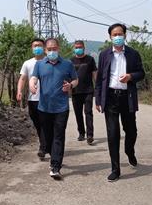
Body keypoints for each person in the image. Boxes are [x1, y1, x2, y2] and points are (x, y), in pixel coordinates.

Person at [95, 23, 145, 182]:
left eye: (120, 34)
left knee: (131, 131)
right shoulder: (104, 54)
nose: (117, 37)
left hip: (127, 97)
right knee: (113, 133)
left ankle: (129, 151)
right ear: (110, 37)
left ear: (125, 35)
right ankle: (115, 169)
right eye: (114, 35)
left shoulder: (133, 54)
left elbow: (141, 73)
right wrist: (98, 99)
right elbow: (100, 78)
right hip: (110, 97)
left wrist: (131, 76)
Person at [29, 38, 78, 179]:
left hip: (61, 107)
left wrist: (71, 85)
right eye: (49, 49)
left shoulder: (67, 64)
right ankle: (53, 155)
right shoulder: (39, 64)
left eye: (54, 49)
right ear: (45, 50)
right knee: (48, 136)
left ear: (58, 48)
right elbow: (33, 78)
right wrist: (32, 84)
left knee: (59, 136)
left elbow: (75, 80)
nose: (52, 51)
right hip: (44, 107)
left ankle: (55, 166)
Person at [17, 38, 46, 159]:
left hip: (46, 99)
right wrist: (19, 91)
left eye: (39, 45)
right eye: (35, 46)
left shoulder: (49, 61)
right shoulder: (27, 63)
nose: (37, 48)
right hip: (33, 99)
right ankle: (44, 143)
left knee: (45, 123)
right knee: (37, 123)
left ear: (44, 47)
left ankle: (43, 147)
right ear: (32, 48)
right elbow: (23, 78)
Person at [70, 40, 97, 145]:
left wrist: (97, 87)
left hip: (88, 90)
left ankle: (90, 135)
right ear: (74, 48)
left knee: (88, 112)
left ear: (84, 48)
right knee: (78, 113)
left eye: (80, 47)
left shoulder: (90, 59)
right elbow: (68, 75)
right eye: (76, 47)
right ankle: (81, 133)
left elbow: (94, 74)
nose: (78, 49)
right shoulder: (71, 61)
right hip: (75, 91)